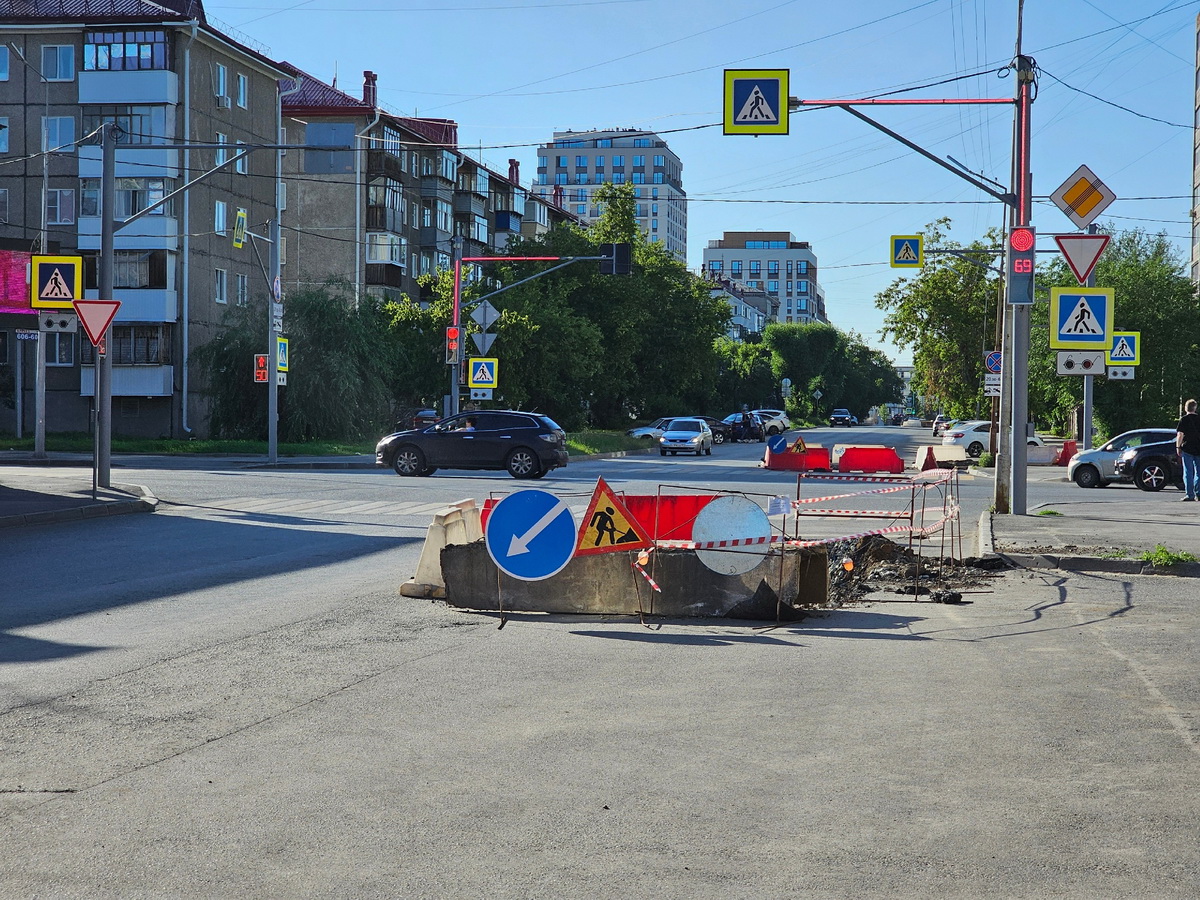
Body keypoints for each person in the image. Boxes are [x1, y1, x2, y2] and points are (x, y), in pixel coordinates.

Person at [1176, 399, 1200, 501]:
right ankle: (1198, 494)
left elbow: (1180, 435)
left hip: (1187, 448)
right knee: (1199, 472)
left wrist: (1178, 446)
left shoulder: (1184, 420)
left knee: (1188, 472)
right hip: (1199, 448)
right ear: (1195, 408)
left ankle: (1189, 494)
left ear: (1186, 408)